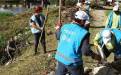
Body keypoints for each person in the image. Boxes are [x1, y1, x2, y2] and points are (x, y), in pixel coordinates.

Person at [55, 11, 101, 75]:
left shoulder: (65, 26)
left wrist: (57, 28)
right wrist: (94, 55)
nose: (85, 23)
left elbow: (58, 36)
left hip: (60, 58)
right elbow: (86, 51)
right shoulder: (83, 33)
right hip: (73, 62)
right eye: (85, 21)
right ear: (82, 21)